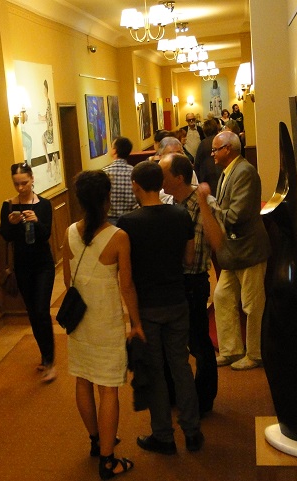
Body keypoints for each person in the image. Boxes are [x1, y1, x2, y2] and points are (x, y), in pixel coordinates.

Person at [117, 161, 204, 455]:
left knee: (155, 371)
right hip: (177, 300)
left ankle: (164, 436)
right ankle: (192, 432)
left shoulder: (128, 223)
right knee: (181, 366)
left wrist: (134, 321)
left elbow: (126, 278)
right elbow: (189, 259)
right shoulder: (180, 214)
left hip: (148, 307)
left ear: (136, 185)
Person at [63, 170, 144, 480]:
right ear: (107, 198)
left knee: (83, 380)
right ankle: (108, 462)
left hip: (79, 322)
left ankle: (97, 441)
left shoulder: (70, 232)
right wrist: (136, 323)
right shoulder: (118, 237)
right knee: (108, 389)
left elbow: (68, 281)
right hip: (106, 321)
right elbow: (127, 286)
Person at [196, 131, 270, 371]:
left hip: (248, 249)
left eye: (216, 149)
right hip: (233, 252)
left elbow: (236, 215)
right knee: (222, 297)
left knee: (252, 305)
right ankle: (231, 350)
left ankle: (256, 354)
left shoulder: (244, 171)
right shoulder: (230, 171)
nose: (212, 154)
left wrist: (210, 207)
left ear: (228, 149)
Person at [158, 153, 218, 416]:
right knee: (169, 343)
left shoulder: (205, 201)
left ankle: (204, 400)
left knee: (199, 344)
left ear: (179, 178)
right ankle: (175, 395)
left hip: (193, 283)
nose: (159, 178)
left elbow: (217, 242)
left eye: (163, 174)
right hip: (172, 283)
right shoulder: (167, 201)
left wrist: (204, 204)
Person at [0, 163, 57, 382]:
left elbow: (45, 234)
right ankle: (44, 355)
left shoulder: (44, 204)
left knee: (42, 310)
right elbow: (6, 236)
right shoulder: (8, 205)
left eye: (24, 183)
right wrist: (12, 223)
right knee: (32, 312)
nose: (21, 188)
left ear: (32, 179)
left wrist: (36, 221)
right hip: (22, 266)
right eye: (16, 184)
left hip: (43, 265)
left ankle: (50, 360)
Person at [102, 136, 136, 225]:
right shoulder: (134, 172)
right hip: (130, 220)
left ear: (114, 151)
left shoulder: (104, 172)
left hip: (109, 221)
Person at [194, 119, 223, 188]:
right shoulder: (221, 141)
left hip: (207, 178)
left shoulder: (203, 144)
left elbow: (197, 164)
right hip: (221, 174)